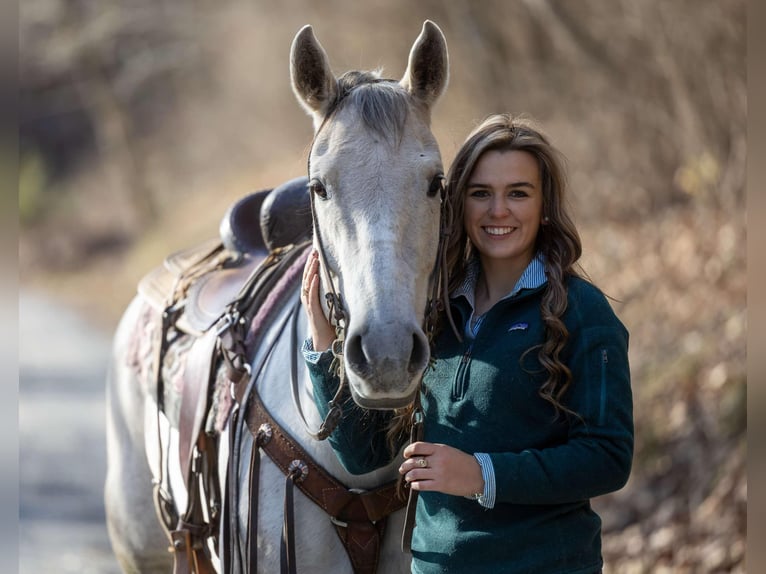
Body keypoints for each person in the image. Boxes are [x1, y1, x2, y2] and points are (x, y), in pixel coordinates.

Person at [300, 113, 633, 573]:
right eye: (481, 193)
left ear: (545, 204)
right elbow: (363, 455)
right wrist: (323, 346)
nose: (499, 211)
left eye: (518, 192)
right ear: (457, 203)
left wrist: (482, 474)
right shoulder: (433, 317)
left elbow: (608, 457)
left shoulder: (582, 311)